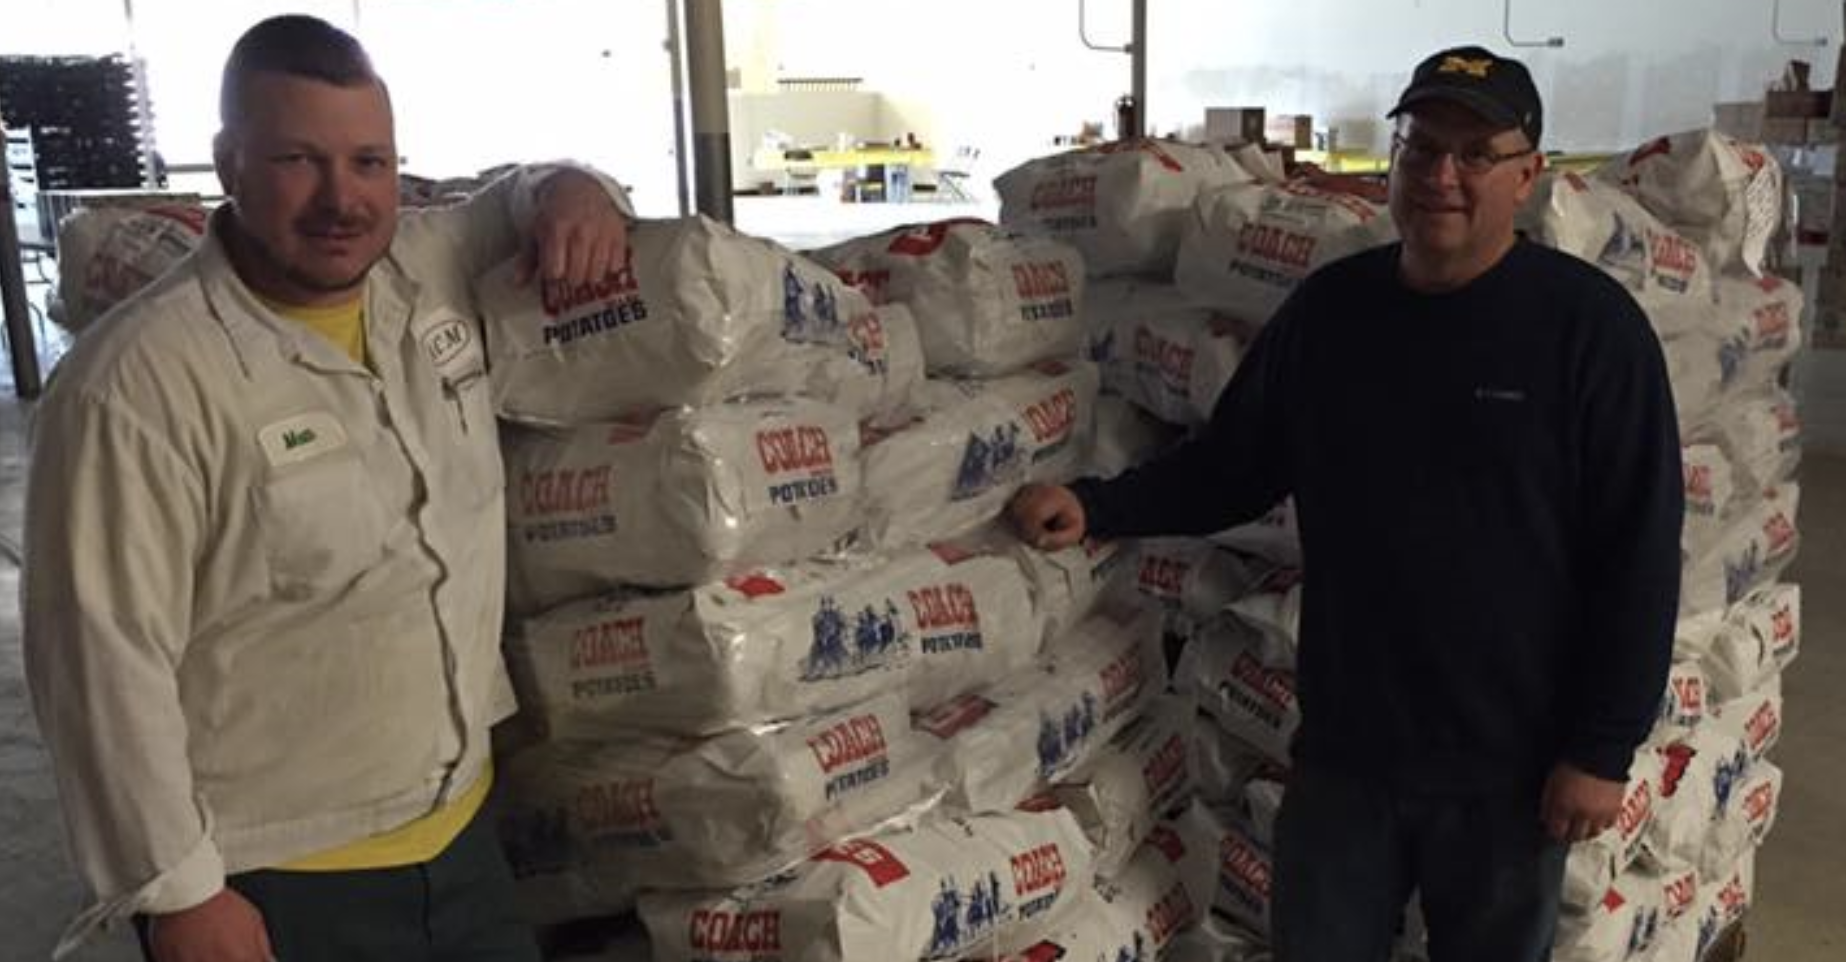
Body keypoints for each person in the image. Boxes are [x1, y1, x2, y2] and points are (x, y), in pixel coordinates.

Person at [1011, 45, 1681, 962]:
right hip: (1347, 753)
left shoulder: (1589, 332)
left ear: (1528, 175)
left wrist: (1602, 747)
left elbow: (1637, 551)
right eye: (1421, 147)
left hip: (1510, 770)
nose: (1443, 174)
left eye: (1476, 153)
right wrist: (1096, 506)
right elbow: (1232, 467)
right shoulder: (1333, 315)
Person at [23, 15, 632, 962]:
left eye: (370, 163)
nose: (341, 199)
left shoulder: (421, 273)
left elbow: (523, 192)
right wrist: (181, 895)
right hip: (284, 879)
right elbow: (101, 659)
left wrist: (574, 189)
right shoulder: (136, 383)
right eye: (298, 160)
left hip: (464, 834)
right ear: (229, 163)